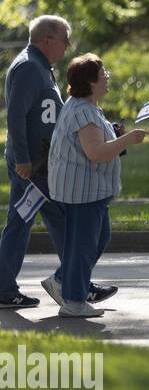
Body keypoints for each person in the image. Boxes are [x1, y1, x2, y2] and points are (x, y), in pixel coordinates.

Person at [0, 16, 97, 309]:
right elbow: (15, 116)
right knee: (21, 224)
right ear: (47, 39)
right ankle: (5, 289)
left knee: (60, 222)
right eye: (64, 39)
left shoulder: (41, 66)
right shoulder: (30, 67)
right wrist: (23, 160)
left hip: (43, 166)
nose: (68, 45)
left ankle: (77, 284)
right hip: (31, 168)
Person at [46, 54, 146, 318]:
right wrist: (127, 140)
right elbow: (96, 152)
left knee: (97, 239)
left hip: (88, 191)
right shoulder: (83, 111)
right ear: (91, 82)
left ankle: (61, 281)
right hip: (82, 193)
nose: (107, 77)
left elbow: (92, 142)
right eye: (103, 74)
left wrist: (113, 131)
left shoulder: (85, 107)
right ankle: (74, 302)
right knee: (84, 245)